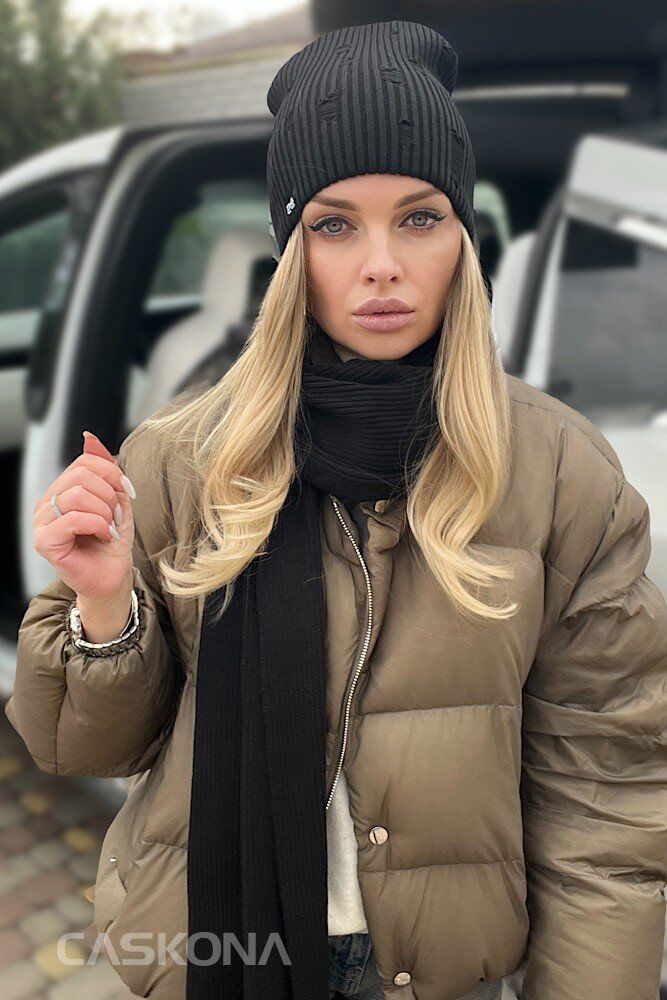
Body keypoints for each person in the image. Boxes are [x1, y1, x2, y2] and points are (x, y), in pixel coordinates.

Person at [6, 19, 666, 1000]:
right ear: (290, 248)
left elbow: (606, 793)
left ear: (462, 238)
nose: (382, 264)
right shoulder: (183, 458)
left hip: (439, 973)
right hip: (223, 958)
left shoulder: (560, 472)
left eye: (419, 217)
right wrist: (104, 610)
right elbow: (86, 746)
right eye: (334, 224)